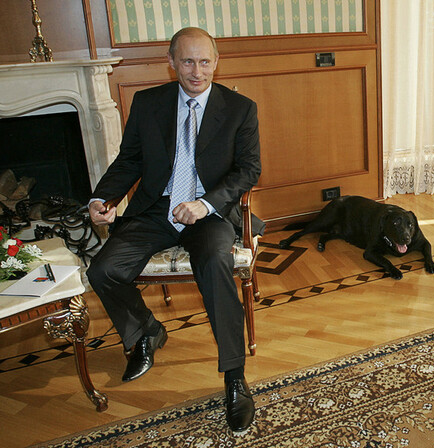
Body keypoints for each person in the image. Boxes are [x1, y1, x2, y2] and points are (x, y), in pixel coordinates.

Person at [86, 27, 264, 432]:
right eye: (187, 61)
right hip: (156, 209)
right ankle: (146, 331)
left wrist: (204, 204)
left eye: (204, 62)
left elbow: (248, 170)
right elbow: (129, 160)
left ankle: (235, 377)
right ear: (171, 62)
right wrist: (103, 198)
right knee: (103, 270)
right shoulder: (148, 103)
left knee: (215, 263)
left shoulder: (240, 108)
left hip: (208, 212)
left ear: (216, 62)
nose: (197, 71)